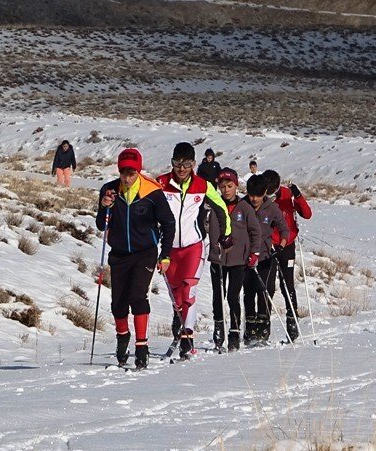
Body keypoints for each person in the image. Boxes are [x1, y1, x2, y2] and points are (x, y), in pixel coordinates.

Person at [96, 148, 176, 369]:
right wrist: (104, 207)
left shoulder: (152, 191)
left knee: (137, 297)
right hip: (119, 254)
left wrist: (165, 254)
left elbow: (168, 223)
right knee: (118, 304)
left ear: (138, 171)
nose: (127, 178)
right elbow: (101, 225)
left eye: (131, 173)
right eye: (123, 173)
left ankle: (142, 346)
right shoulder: (110, 190)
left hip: (145, 252)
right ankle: (123, 337)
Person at [155, 142, 231, 359]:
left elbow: (220, 207)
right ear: (172, 163)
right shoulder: (161, 183)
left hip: (194, 246)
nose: (182, 169)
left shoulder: (202, 185)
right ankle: (178, 320)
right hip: (169, 249)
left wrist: (226, 233)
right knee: (177, 295)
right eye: (177, 164)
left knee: (189, 290)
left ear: (194, 164)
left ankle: (187, 337)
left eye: (187, 164)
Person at [205, 168, 261, 352]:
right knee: (217, 297)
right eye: (223, 187)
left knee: (232, 297)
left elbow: (255, 231)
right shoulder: (214, 205)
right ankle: (218, 329)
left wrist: (254, 253)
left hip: (238, 260)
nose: (226, 190)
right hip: (218, 259)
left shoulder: (244, 207)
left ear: (236, 186)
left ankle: (234, 332)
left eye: (230, 186)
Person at [241, 174, 290, 346]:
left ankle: (263, 329)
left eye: (258, 195)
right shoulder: (242, 205)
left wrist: (281, 245)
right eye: (251, 195)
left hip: (266, 256)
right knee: (248, 292)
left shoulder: (272, 208)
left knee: (264, 291)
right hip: (246, 258)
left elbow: (284, 230)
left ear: (264, 193)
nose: (254, 199)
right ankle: (250, 328)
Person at [265, 169, 313, 342]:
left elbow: (307, 214)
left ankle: (292, 324)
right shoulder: (263, 196)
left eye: (273, 191)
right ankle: (264, 328)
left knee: (287, 285)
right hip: (269, 245)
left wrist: (298, 196)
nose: (270, 194)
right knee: (268, 286)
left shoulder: (288, 195)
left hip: (287, 245)